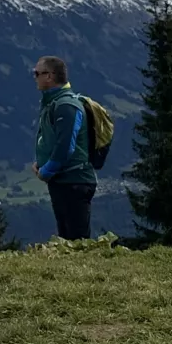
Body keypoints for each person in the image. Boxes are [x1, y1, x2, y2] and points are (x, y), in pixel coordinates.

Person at [33, 55, 96, 239]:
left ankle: (86, 266)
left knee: (77, 240)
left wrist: (46, 171)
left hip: (74, 181)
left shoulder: (66, 105)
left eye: (36, 73)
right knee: (66, 237)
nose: (34, 77)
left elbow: (65, 146)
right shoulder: (54, 103)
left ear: (49, 76)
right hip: (63, 181)